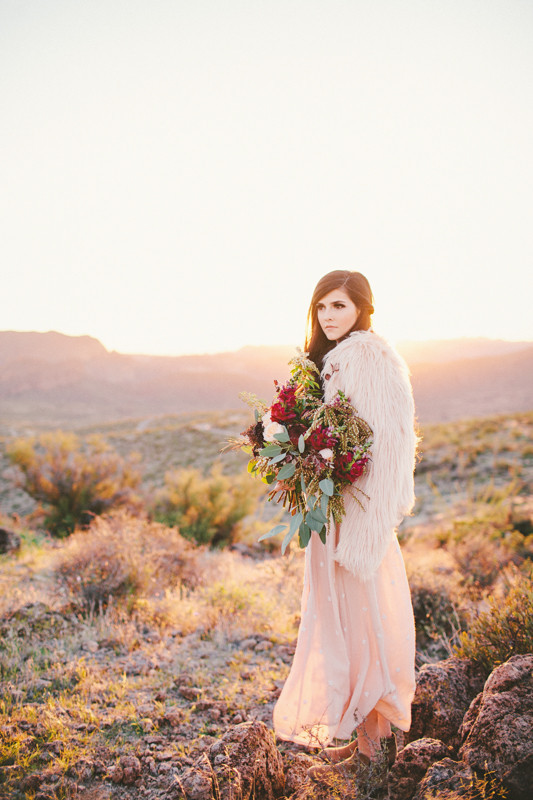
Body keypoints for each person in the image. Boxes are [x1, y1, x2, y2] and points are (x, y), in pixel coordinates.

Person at [273, 270, 417, 778]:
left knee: (363, 620)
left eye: (339, 306)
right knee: (344, 622)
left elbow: (389, 441)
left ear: (362, 308)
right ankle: (362, 736)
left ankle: (374, 749)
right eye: (322, 308)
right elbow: (331, 427)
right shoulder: (329, 360)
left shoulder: (369, 356)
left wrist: (360, 508)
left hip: (357, 516)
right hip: (332, 509)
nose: (329, 316)